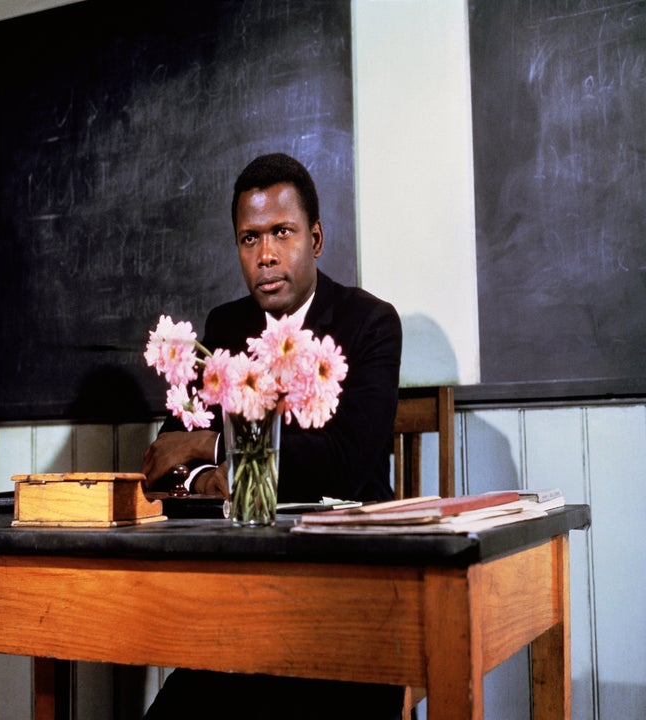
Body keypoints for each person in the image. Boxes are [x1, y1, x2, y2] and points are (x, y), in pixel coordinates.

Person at [142, 153, 404, 720]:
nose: (265, 255)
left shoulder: (370, 323)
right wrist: (201, 469)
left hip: (350, 606)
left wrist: (211, 447)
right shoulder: (224, 329)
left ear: (315, 238)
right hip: (241, 605)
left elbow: (346, 465)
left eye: (281, 233)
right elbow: (166, 456)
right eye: (249, 238)